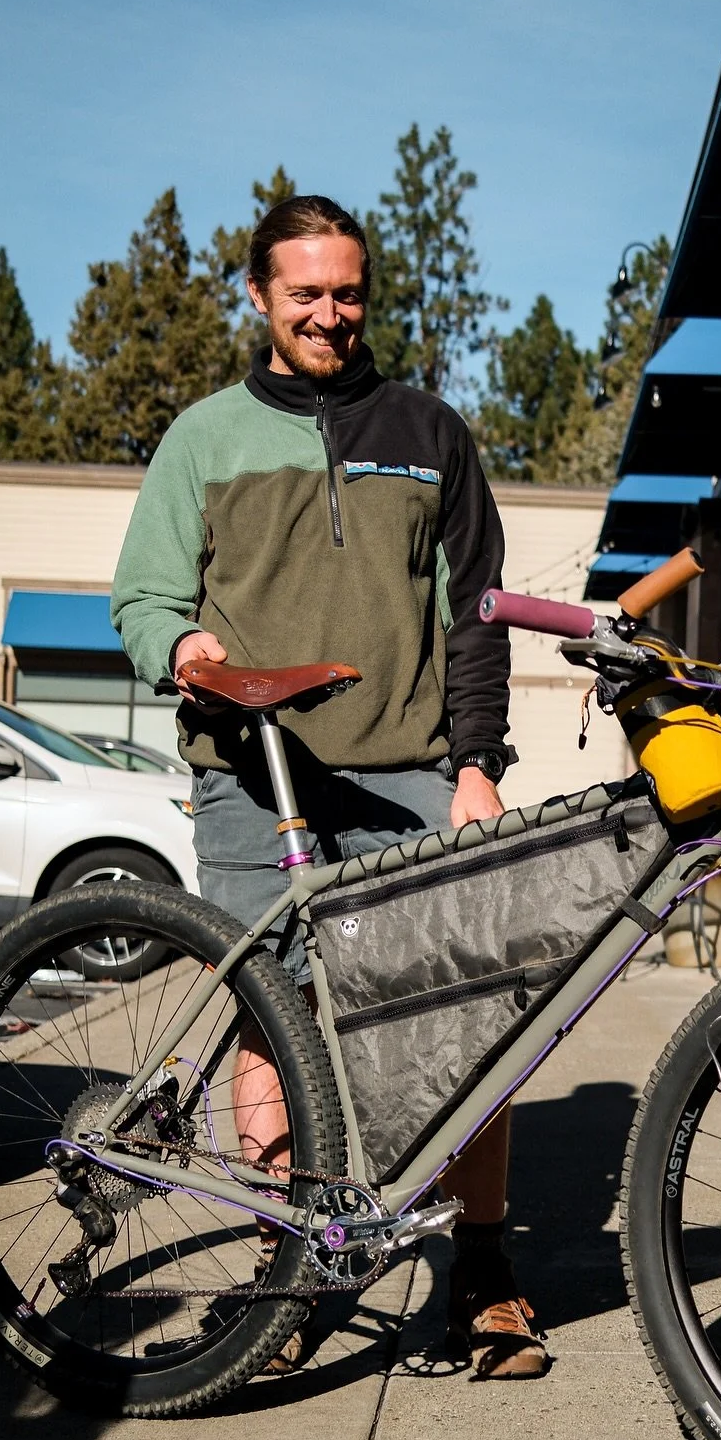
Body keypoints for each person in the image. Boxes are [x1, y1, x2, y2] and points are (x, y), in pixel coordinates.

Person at [111, 194, 547, 1379]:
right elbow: (146, 599)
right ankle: (286, 1272)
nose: (328, 313)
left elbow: (478, 615)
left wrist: (475, 764)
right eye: (304, 292)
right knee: (273, 1021)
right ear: (260, 297)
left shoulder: (431, 431)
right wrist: (189, 653)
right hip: (250, 776)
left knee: (477, 1013)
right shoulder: (202, 440)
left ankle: (485, 1273)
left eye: (346, 291)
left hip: (407, 771)